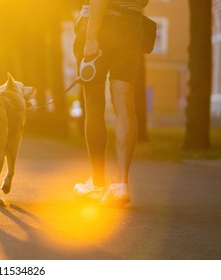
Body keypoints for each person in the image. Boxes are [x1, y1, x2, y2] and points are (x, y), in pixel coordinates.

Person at [72, 0, 148, 207]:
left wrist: (90, 37)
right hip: (131, 27)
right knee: (125, 105)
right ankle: (121, 184)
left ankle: (97, 184)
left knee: (94, 107)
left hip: (100, 25)